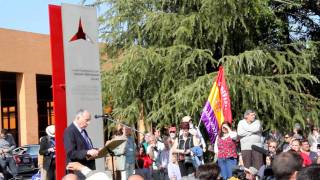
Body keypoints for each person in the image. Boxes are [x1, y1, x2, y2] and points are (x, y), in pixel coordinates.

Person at [64, 109, 99, 179]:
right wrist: (88, 152)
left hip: (86, 168)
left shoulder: (83, 131)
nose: (88, 123)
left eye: (89, 120)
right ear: (78, 118)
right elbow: (71, 153)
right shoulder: (70, 131)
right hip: (77, 171)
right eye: (87, 120)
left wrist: (96, 150)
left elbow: (84, 148)